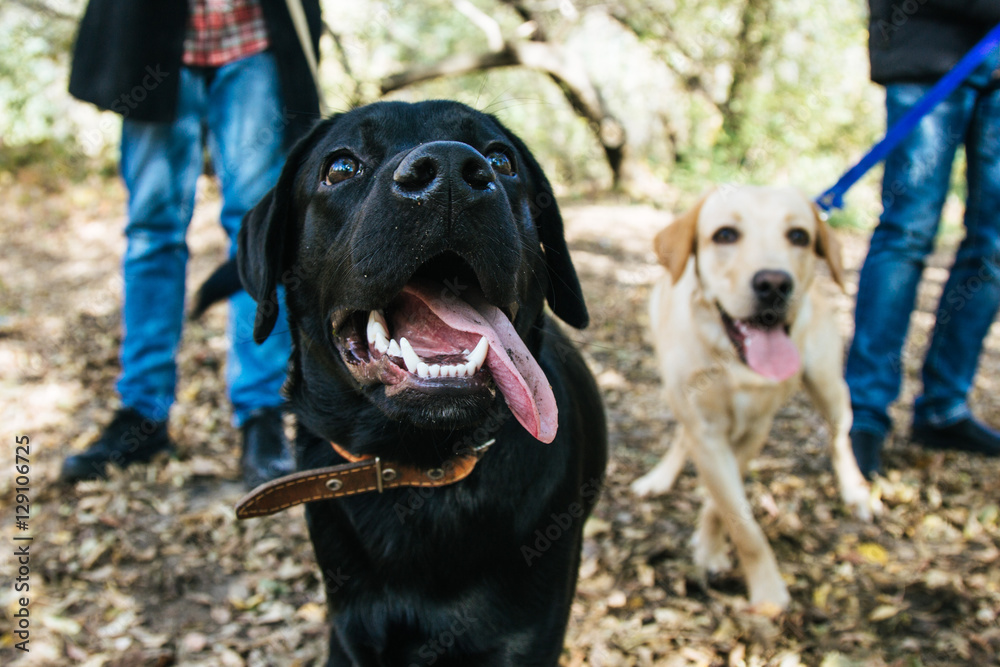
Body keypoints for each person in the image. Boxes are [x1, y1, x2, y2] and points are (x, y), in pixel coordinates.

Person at [60, 0, 323, 488]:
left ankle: (262, 415)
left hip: (254, 39)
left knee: (258, 232)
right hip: (152, 43)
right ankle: (142, 414)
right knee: (151, 232)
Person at [847, 1, 1000, 478]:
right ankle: (864, 412)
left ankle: (943, 408)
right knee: (906, 231)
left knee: (993, 246)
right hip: (926, 44)